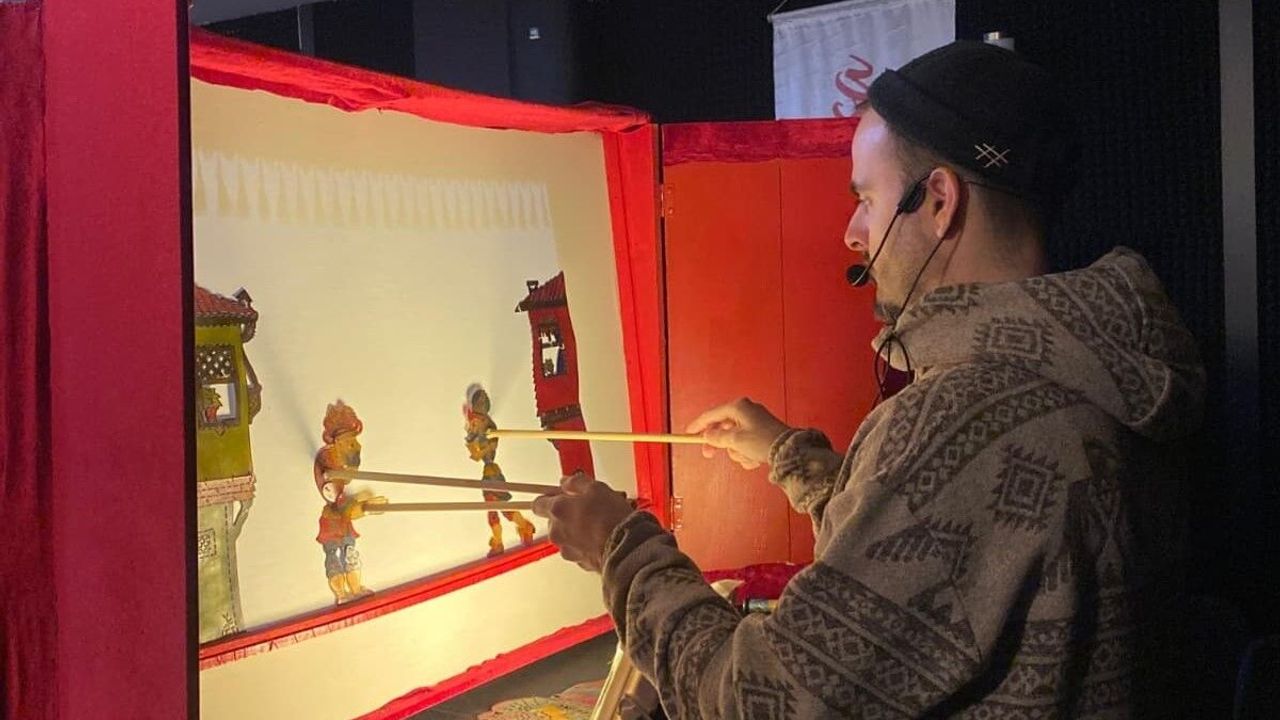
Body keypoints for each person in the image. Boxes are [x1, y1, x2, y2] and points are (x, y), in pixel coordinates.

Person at [533, 40, 1205, 718]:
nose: (854, 233)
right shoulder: (1095, 367)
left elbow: (758, 701)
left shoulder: (965, 417)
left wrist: (622, 549)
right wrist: (791, 457)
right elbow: (942, 566)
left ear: (938, 201)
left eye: (867, 199)